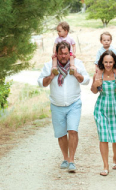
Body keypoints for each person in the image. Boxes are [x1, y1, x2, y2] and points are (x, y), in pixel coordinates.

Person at [37, 41, 90, 173]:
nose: (63, 56)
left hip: (74, 103)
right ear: (56, 54)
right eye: (60, 54)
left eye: (66, 53)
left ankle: (72, 160)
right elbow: (41, 83)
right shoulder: (49, 66)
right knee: (61, 134)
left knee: (72, 131)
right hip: (56, 105)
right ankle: (65, 158)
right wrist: (51, 76)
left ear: (69, 53)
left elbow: (87, 80)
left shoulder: (76, 64)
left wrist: (77, 74)